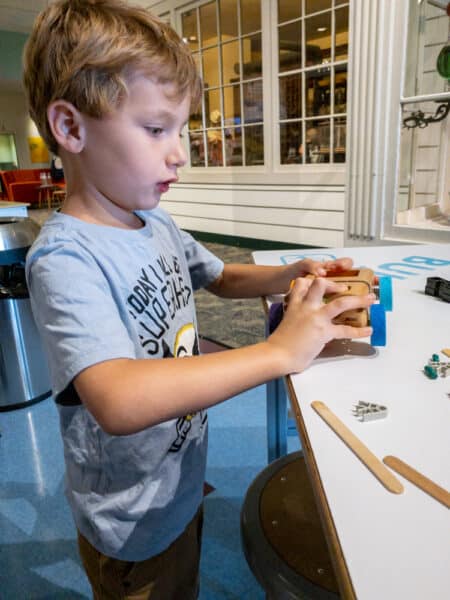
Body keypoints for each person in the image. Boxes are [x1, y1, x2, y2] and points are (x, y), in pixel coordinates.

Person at [23, 1, 374, 598]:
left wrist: (288, 272)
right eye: (157, 129)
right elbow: (118, 399)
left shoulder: (152, 223)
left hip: (177, 477)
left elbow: (219, 278)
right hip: (130, 519)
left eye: (180, 130)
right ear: (71, 128)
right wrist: (279, 354)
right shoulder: (66, 260)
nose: (180, 151)